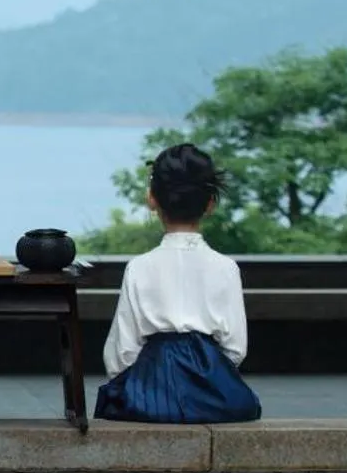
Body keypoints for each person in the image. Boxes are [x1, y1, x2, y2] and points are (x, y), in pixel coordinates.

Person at [95, 142, 261, 425]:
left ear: (153, 199)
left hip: (149, 388)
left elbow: (122, 352)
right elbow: (234, 349)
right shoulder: (226, 268)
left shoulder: (139, 267)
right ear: (210, 203)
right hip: (213, 388)